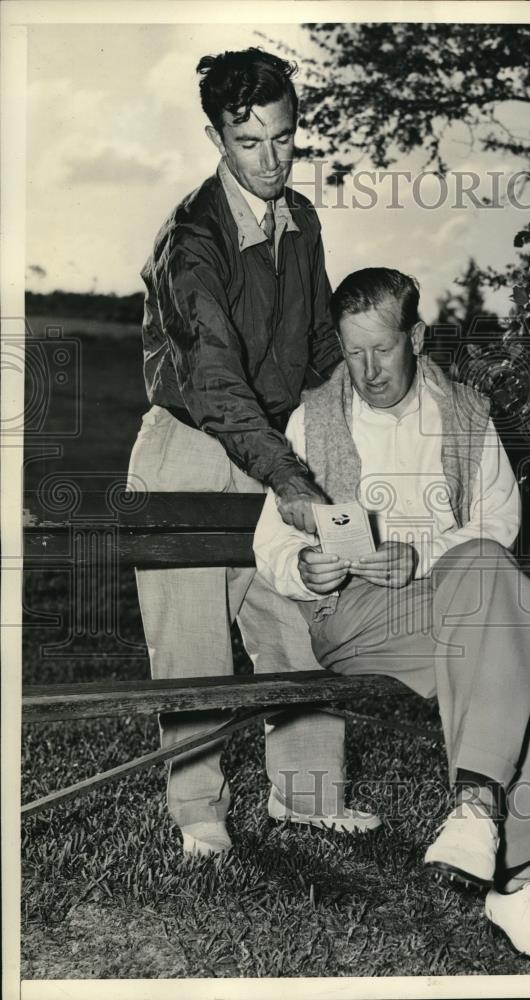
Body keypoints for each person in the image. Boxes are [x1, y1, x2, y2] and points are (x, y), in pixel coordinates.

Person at [253, 267, 530, 962]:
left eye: (380, 349)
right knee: (504, 640)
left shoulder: (466, 412)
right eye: (351, 352)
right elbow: (270, 542)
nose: (367, 369)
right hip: (352, 618)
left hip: (452, 602)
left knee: (482, 583)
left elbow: (498, 523)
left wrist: (420, 556)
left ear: (413, 336)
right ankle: (514, 866)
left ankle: (486, 827)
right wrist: (306, 567)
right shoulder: (312, 417)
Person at [128, 47, 379, 857]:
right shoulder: (191, 238)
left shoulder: (300, 218)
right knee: (194, 644)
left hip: (277, 445)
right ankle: (199, 812)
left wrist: (347, 426)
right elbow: (217, 386)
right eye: (249, 142)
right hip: (193, 447)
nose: (271, 161)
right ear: (216, 136)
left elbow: (313, 343)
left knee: (299, 618)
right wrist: (295, 482)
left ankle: (306, 796)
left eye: (284, 138)